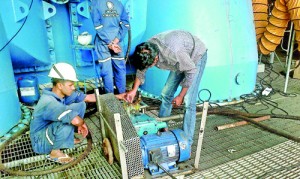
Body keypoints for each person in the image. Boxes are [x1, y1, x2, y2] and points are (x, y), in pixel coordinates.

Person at [125, 30, 208, 146]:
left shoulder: (173, 52)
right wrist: (134, 90)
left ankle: (186, 142)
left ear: (155, 59)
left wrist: (180, 96)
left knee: (189, 103)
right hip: (181, 57)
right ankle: (162, 127)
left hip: (195, 57)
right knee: (166, 94)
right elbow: (142, 68)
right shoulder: (147, 48)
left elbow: (191, 71)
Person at [30, 63, 96, 164]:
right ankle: (54, 153)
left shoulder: (60, 93)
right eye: (70, 85)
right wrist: (82, 124)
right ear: (60, 85)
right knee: (67, 121)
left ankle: (66, 138)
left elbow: (87, 98)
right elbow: (76, 120)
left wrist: (119, 96)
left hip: (49, 130)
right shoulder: (48, 102)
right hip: (40, 142)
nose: (73, 87)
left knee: (81, 105)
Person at [91, 0, 130, 94]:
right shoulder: (119, 4)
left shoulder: (95, 3)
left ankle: (110, 99)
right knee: (120, 69)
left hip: (103, 43)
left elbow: (97, 26)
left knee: (106, 71)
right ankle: (123, 96)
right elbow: (126, 24)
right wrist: (116, 40)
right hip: (117, 42)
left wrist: (109, 43)